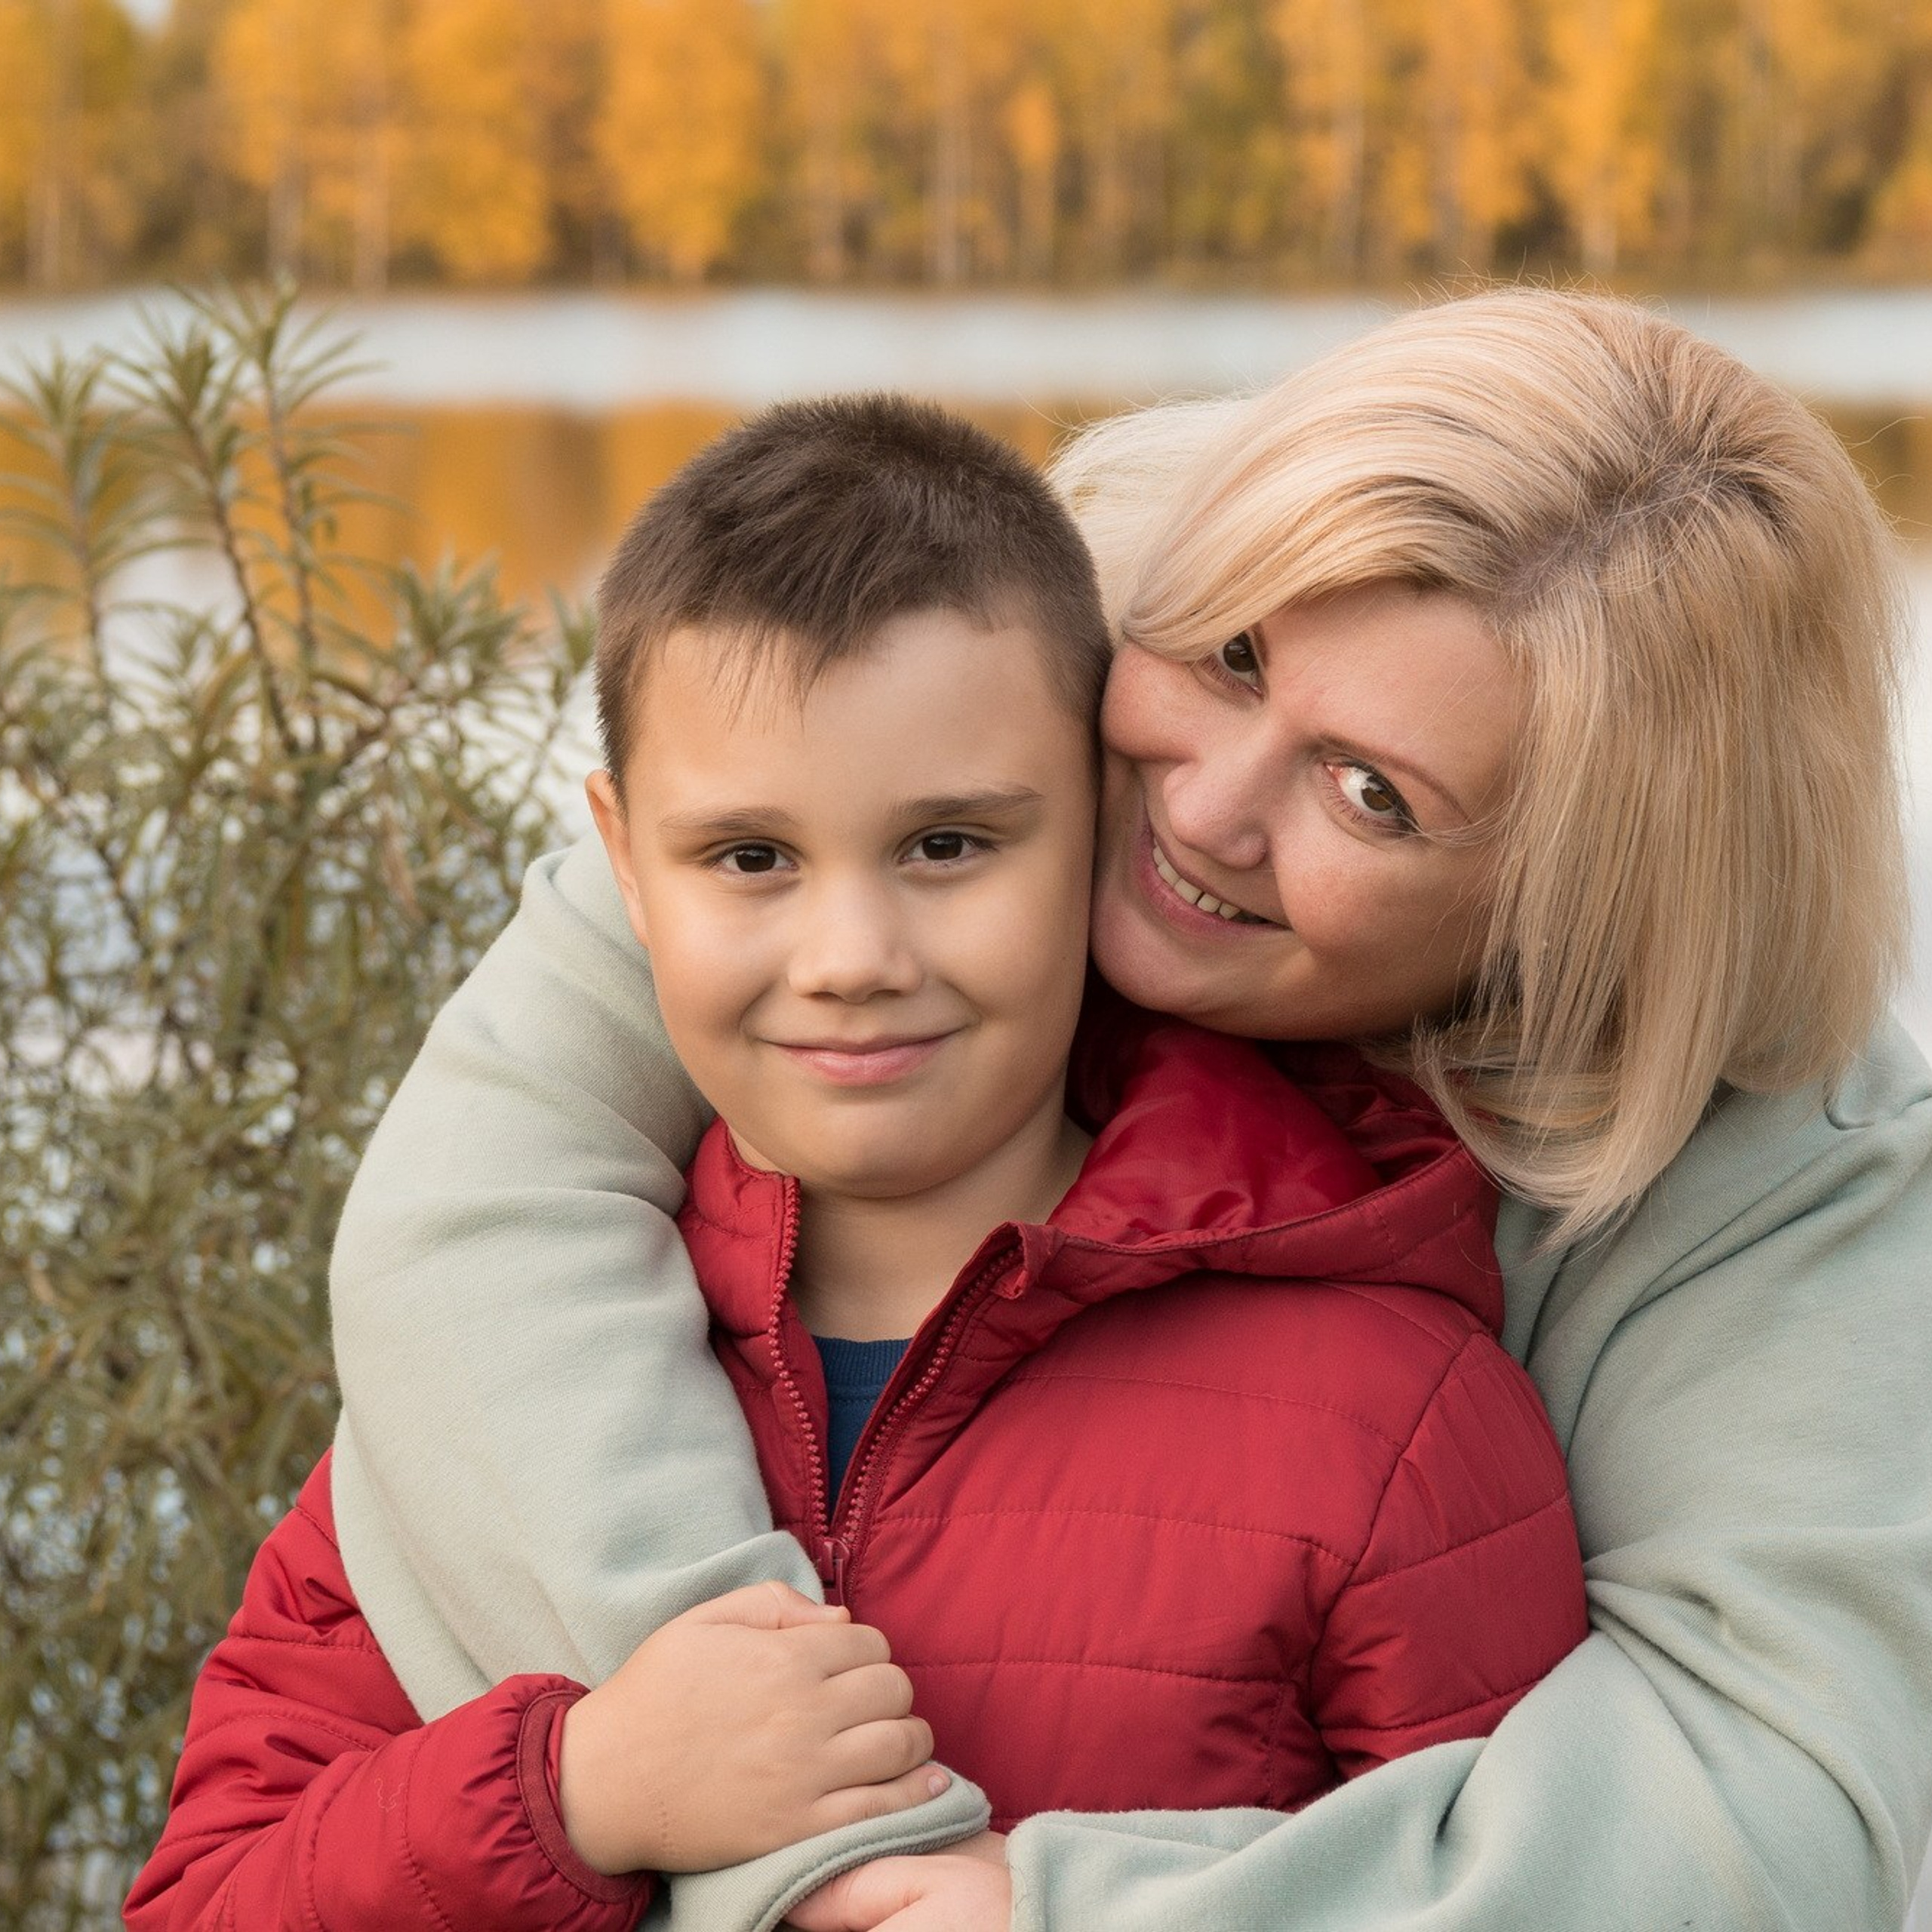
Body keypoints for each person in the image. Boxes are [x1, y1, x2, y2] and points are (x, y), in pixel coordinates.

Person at [324, 289, 1932, 1932]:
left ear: (1570, 917)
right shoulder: (949, 708)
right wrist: (773, 1767)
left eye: (1370, 793)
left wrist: (1049, 1912)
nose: (1199, 807)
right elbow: (471, 1224)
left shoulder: (1772, 1157)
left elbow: (1775, 1814)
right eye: (1234, 656)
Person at [125, 394, 1589, 1932]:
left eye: (947, 843)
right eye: (749, 857)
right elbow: (204, 1900)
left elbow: (1524, 1890)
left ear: (1101, 821)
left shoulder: (1387, 1418)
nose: (850, 958)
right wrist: (571, 1792)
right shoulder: (496, 1378)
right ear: (621, 861)